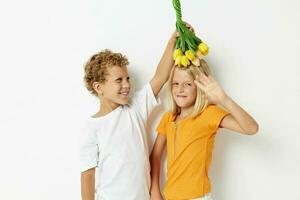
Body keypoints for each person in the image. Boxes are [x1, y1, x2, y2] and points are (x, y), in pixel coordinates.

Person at [150, 60, 259, 200]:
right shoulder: (169, 118)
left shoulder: (209, 114)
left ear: (200, 87)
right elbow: (155, 156)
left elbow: (251, 128)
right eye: (175, 83)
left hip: (197, 197)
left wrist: (224, 99)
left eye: (188, 84)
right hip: (170, 196)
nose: (180, 89)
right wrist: (155, 191)